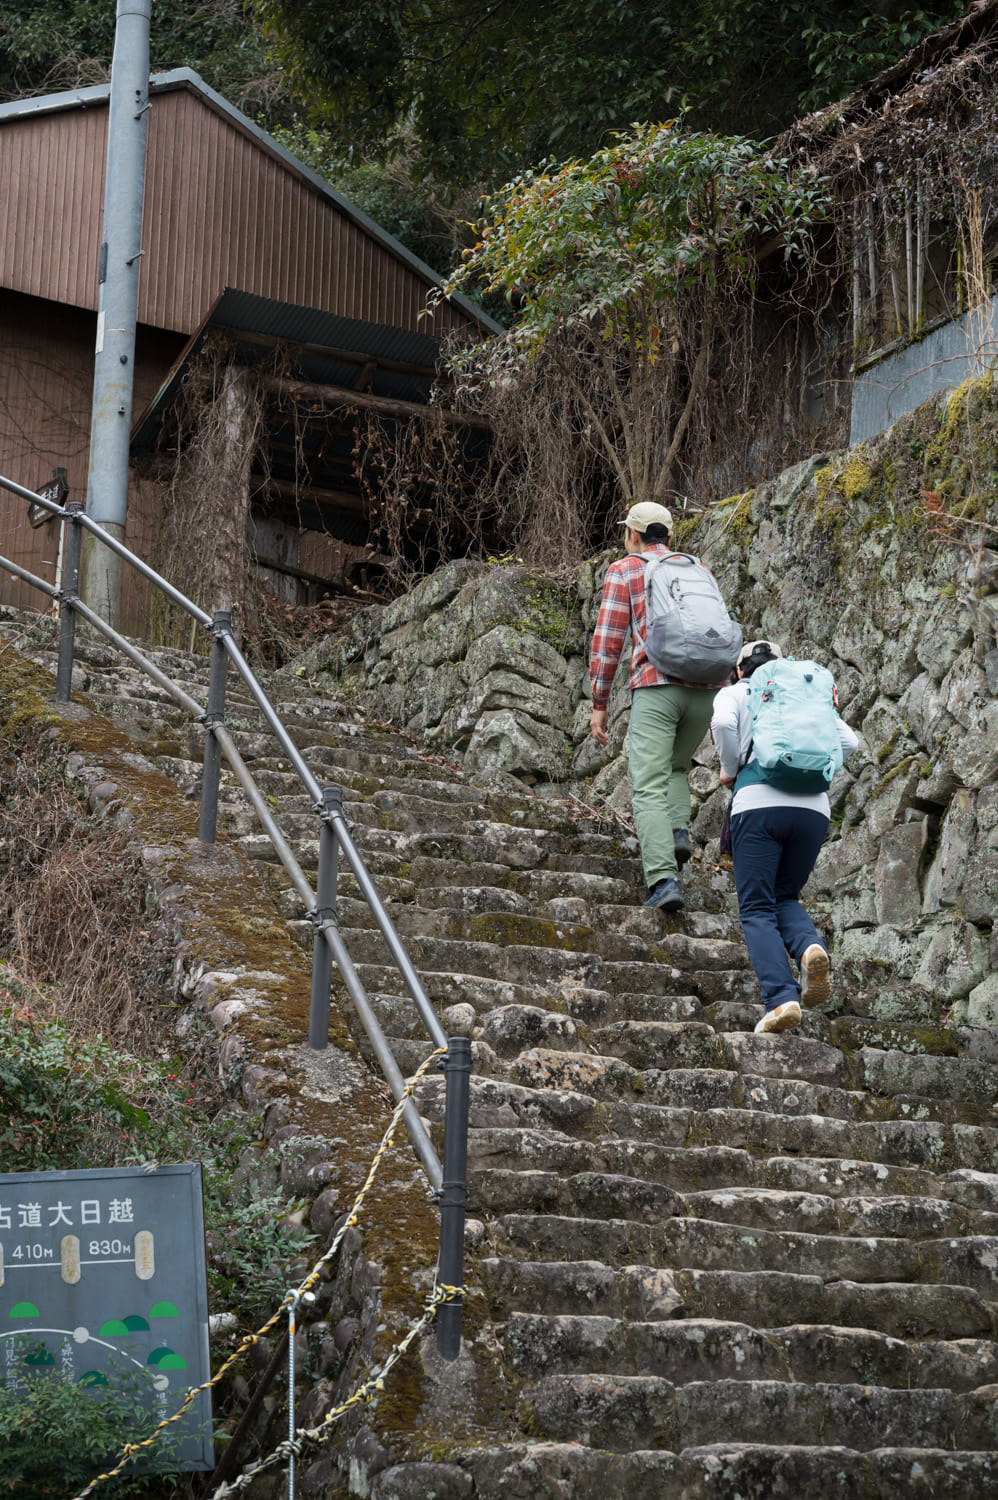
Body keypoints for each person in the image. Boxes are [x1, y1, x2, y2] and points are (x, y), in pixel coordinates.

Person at [710, 639, 860, 1035]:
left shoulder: (739, 691)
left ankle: (781, 1000)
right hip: (813, 809)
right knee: (783, 897)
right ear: (779, 666)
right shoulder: (802, 695)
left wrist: (730, 768)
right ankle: (811, 948)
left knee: (757, 908)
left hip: (758, 802)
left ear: (740, 669)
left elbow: (724, 724)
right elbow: (849, 742)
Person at [589, 501, 731, 912]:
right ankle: (677, 833)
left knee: (647, 782)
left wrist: (599, 703)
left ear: (632, 534)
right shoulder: (698, 569)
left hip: (657, 687)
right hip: (706, 688)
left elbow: (608, 640)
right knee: (674, 766)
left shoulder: (625, 569)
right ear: (669, 536)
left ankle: (663, 879)